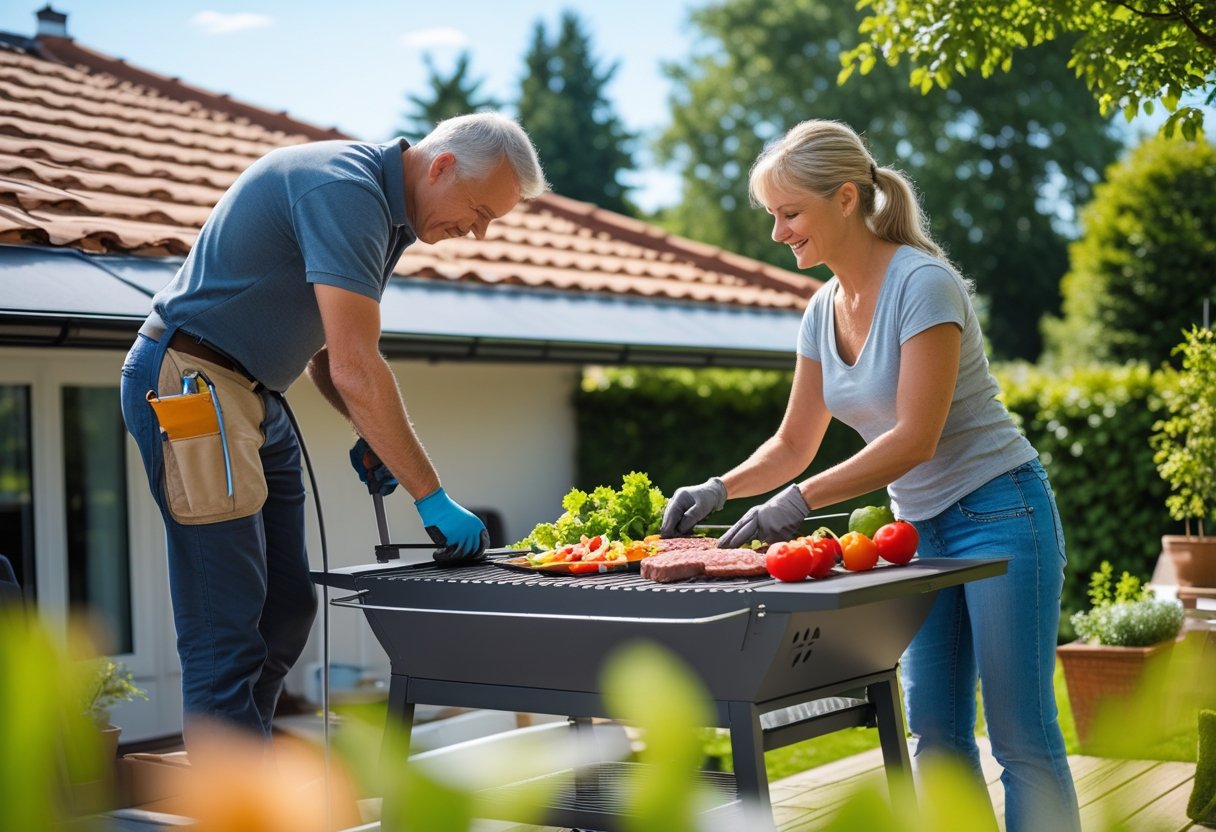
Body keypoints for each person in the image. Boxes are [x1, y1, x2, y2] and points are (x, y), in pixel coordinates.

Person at [660, 119, 1080, 832]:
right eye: (773, 216)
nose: (778, 233)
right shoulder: (821, 310)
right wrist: (721, 488)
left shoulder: (924, 284)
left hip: (1001, 512)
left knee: (1021, 736)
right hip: (917, 532)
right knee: (937, 736)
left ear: (846, 198)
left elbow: (914, 439)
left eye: (790, 213)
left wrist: (801, 500)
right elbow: (794, 442)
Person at [121, 113, 546, 739]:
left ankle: (248, 775)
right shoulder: (346, 191)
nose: (478, 233)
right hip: (192, 384)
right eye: (480, 211)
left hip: (254, 395)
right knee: (228, 629)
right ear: (442, 166)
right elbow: (355, 365)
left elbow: (327, 351)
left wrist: (369, 430)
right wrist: (431, 496)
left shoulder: (387, 213)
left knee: (286, 610)